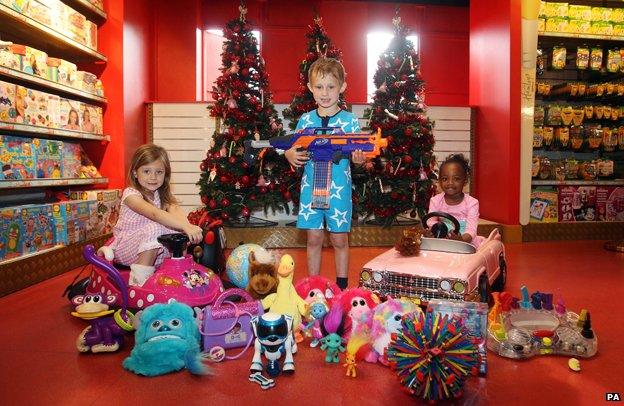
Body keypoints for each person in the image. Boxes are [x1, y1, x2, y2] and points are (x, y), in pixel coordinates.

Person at [284, 58, 365, 290]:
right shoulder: (305, 119)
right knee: (314, 238)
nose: (325, 93)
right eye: (319, 87)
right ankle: (313, 285)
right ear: (310, 88)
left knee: (339, 239)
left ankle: (341, 287)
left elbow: (359, 152)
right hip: (311, 190)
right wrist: (290, 154)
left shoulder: (349, 121)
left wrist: (359, 159)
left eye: (331, 86)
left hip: (338, 190)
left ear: (342, 87)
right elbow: (294, 145)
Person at [98, 144, 203, 286]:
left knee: (177, 231)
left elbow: (175, 211)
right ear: (135, 172)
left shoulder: (161, 194)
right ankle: (139, 283)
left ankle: (178, 278)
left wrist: (187, 227)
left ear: (165, 174)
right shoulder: (131, 195)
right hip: (126, 249)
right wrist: (186, 226)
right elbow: (154, 213)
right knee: (155, 227)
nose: (153, 177)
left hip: (154, 248)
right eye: (146, 171)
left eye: (159, 172)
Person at [425, 153, 484, 248]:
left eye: (456, 179)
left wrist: (461, 240)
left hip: (465, 243)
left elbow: (471, 230)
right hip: (441, 240)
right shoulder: (435, 201)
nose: (450, 183)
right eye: (445, 179)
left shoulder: (472, 203)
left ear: (464, 181)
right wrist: (432, 231)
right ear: (439, 181)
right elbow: (430, 221)